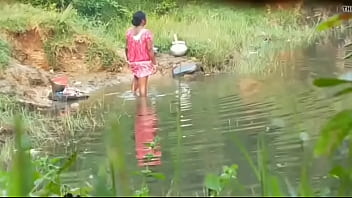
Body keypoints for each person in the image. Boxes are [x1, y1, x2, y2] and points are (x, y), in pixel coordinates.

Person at [125, 11, 157, 97]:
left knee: (136, 80)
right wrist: (154, 63)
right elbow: (150, 49)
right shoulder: (146, 33)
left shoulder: (129, 32)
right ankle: (143, 106)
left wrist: (128, 60)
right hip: (144, 63)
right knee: (143, 89)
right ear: (143, 21)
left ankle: (133, 98)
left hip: (133, 62)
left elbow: (127, 48)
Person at [134, 97, 161, 166]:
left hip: (145, 129)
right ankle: (138, 95)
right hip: (145, 129)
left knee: (142, 106)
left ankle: (139, 94)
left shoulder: (156, 157)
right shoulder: (156, 158)